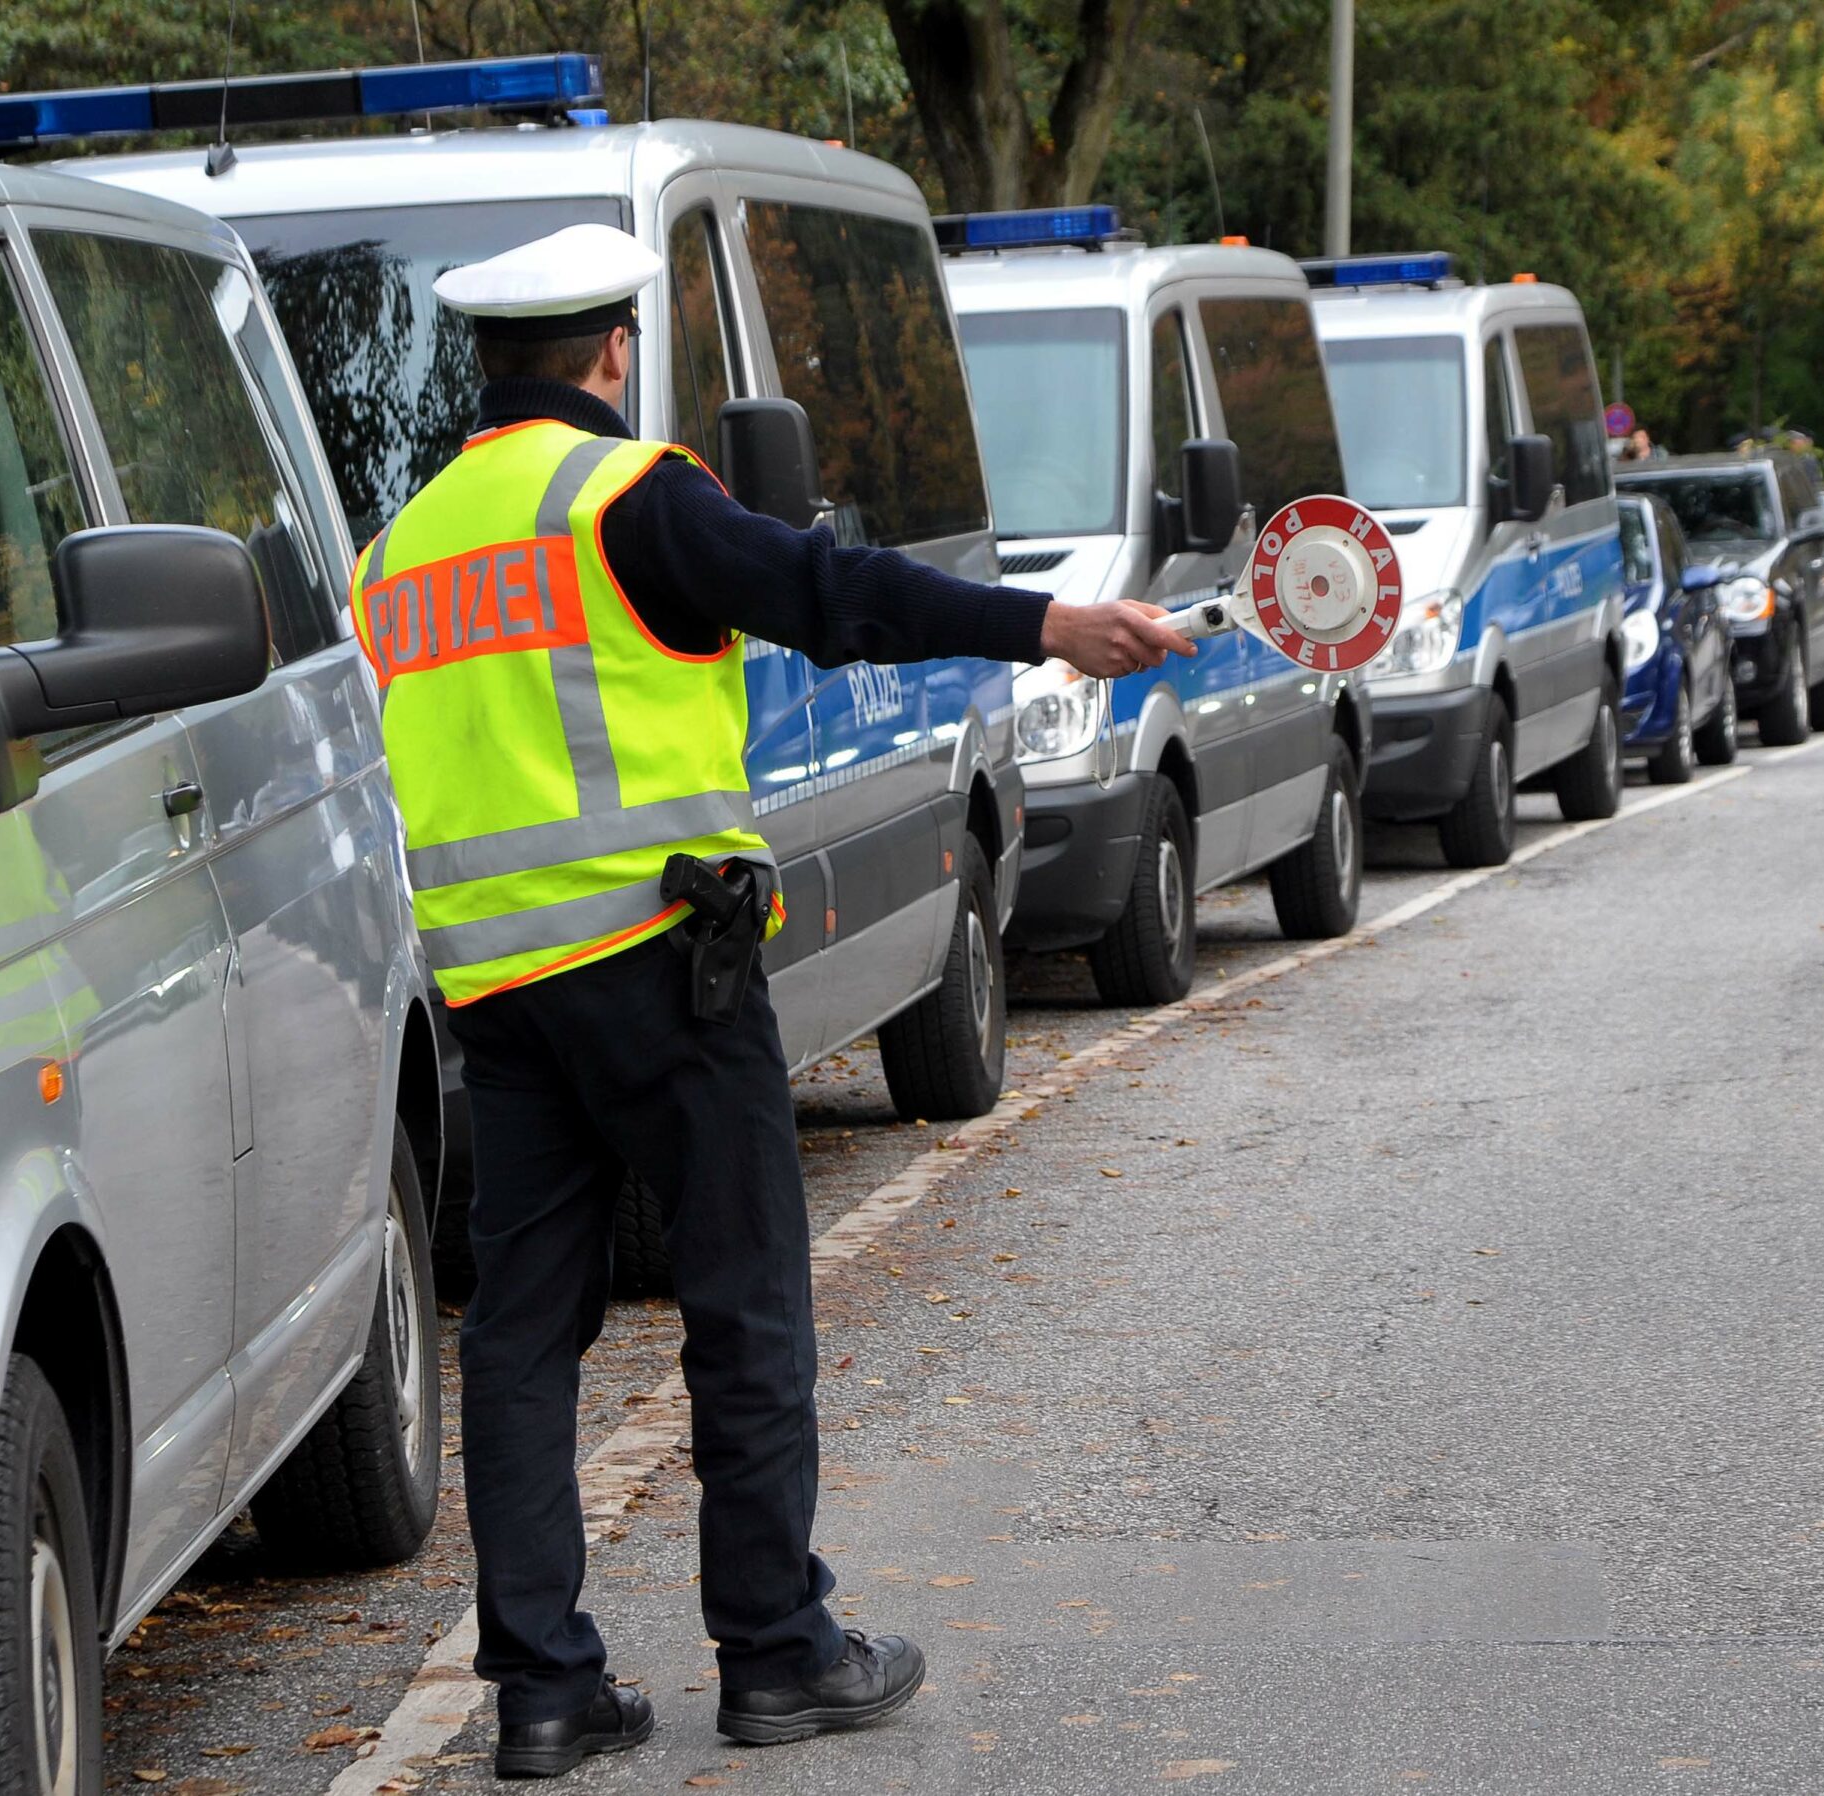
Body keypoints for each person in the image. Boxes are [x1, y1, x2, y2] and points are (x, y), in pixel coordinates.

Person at [349, 223, 1193, 1780]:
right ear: (612, 355)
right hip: (668, 969)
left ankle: (540, 1693)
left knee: (524, 1340)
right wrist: (1046, 623)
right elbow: (829, 591)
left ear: (489, 365)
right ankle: (778, 1652)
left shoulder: (398, 550)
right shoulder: (627, 495)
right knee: (743, 1303)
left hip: (499, 1005)